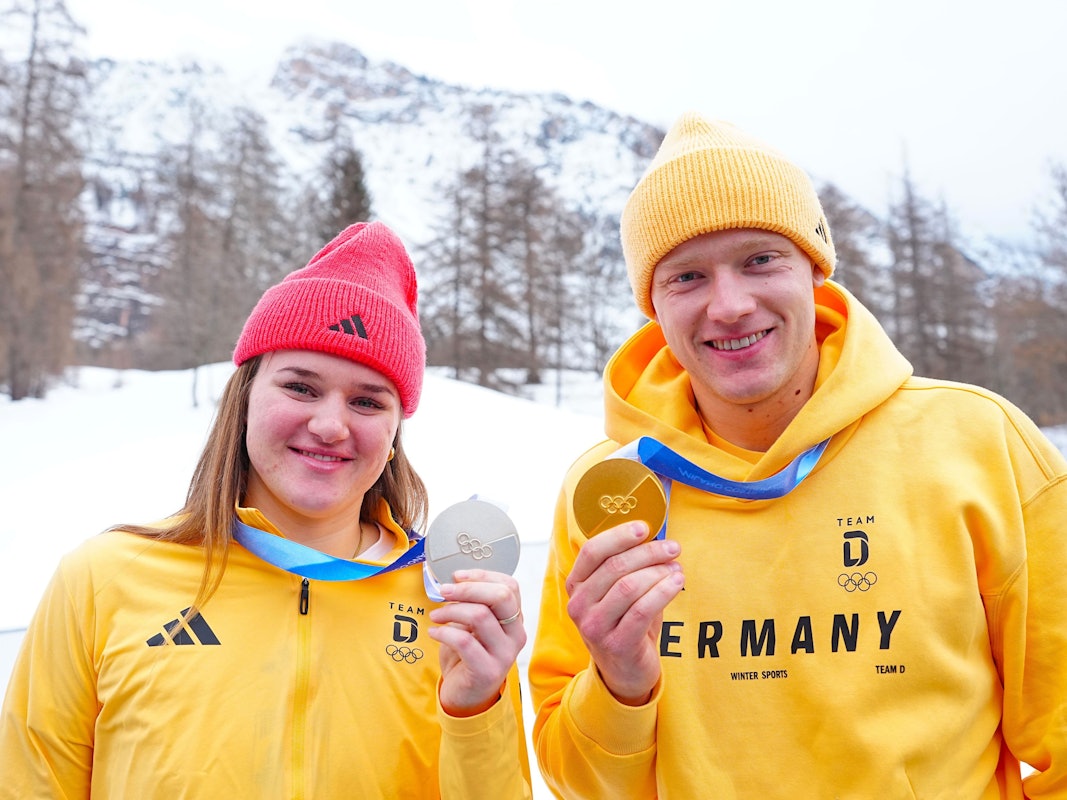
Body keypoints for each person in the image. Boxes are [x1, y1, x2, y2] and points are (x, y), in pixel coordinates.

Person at [528, 112, 1067, 798]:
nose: (729, 305)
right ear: (653, 306)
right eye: (686, 276)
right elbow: (580, 782)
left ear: (815, 268)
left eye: (760, 259)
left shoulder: (978, 443)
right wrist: (619, 685)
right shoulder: (612, 489)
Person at [0, 221, 532, 798]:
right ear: (245, 397)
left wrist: (474, 709)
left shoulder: (451, 609)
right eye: (301, 387)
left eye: (366, 401)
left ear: (394, 433)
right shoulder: (105, 579)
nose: (330, 425)